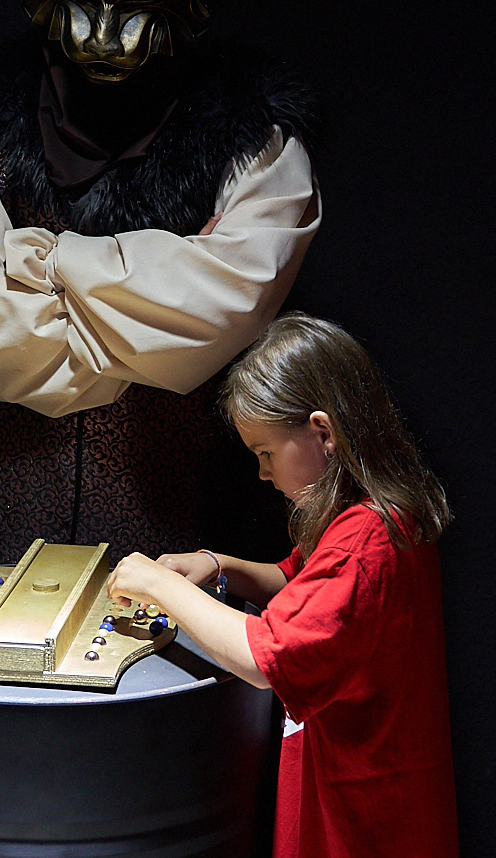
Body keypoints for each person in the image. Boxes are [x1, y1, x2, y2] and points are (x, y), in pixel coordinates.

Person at [0, 0, 320, 564]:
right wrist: (156, 321)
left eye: (135, 7)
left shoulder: (255, 143)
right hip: (11, 508)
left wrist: (46, 265)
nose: (105, 39)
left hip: (182, 524)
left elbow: (228, 302)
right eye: (85, 4)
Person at [107, 313, 458, 858]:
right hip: (370, 793)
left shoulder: (364, 544)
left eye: (266, 453)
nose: (263, 474)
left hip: (363, 824)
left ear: (323, 432)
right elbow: (297, 583)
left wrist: (159, 585)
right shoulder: (373, 514)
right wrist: (219, 564)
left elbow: (267, 657)